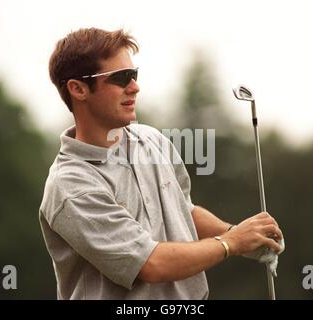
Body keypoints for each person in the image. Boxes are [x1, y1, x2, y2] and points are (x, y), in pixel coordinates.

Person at [39, 27, 284, 300]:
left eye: (134, 75)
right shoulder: (71, 185)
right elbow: (150, 264)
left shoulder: (151, 139)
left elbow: (184, 212)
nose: (134, 86)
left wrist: (241, 235)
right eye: (121, 78)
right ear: (78, 89)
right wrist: (232, 243)